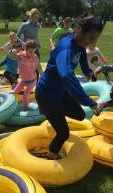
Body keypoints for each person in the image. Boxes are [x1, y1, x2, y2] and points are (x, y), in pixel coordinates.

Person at [35, 16, 105, 160]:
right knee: (63, 134)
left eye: (96, 39)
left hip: (61, 92)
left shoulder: (79, 45)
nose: (92, 42)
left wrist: (88, 72)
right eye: (91, 38)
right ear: (79, 30)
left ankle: (53, 113)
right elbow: (66, 75)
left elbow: (81, 58)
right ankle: (50, 157)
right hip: (47, 95)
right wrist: (90, 102)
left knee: (80, 115)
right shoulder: (66, 47)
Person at [11, 40, 42, 109]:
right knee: (15, 92)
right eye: (30, 52)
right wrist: (13, 51)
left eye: (34, 52)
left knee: (25, 95)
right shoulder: (20, 56)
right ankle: (11, 106)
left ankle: (25, 108)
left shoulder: (35, 57)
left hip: (32, 80)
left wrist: (42, 75)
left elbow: (38, 67)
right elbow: (12, 57)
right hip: (23, 80)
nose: (32, 54)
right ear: (25, 49)